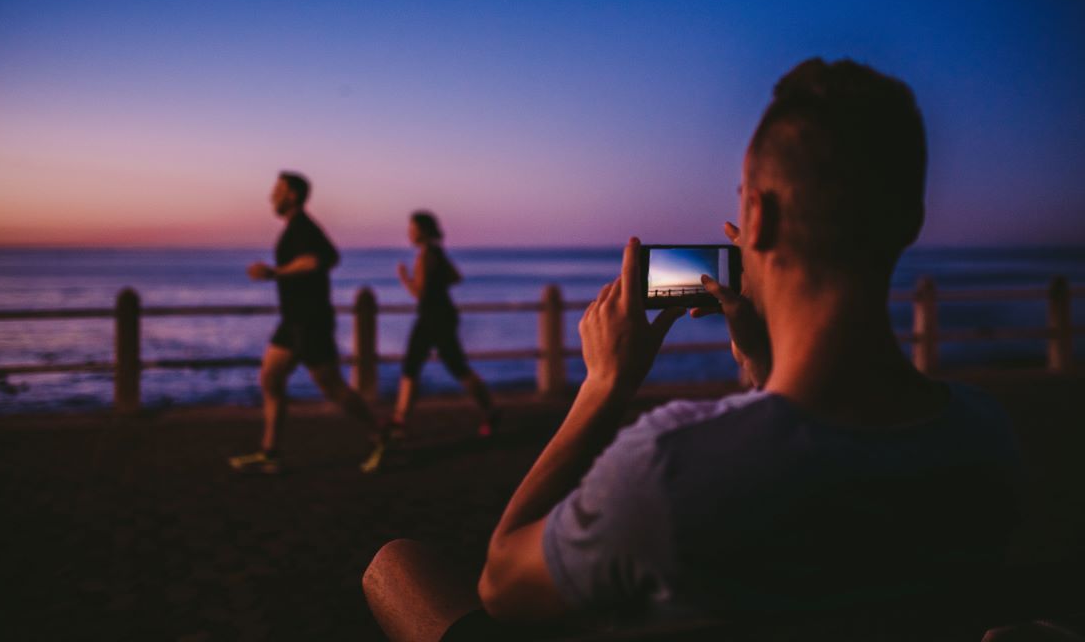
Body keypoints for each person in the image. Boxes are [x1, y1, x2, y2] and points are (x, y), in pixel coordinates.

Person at [363, 59, 1021, 638]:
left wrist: (603, 389)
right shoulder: (986, 434)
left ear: (755, 219)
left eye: (743, 205)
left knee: (397, 566)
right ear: (911, 221)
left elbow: (501, 586)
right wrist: (764, 372)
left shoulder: (668, 464)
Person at [229, 171, 386, 475]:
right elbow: (331, 257)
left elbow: (315, 261)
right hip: (292, 321)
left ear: (292, 195)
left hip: (310, 321)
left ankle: (380, 435)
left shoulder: (302, 226)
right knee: (270, 378)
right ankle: (270, 451)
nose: (271, 195)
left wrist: (275, 273)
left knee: (333, 388)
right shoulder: (300, 227)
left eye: (277, 189)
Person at [388, 211, 499, 440]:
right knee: (449, 366)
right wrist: (437, 284)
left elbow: (419, 293)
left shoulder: (424, 256)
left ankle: (400, 419)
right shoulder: (437, 252)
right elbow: (455, 277)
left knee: (418, 366)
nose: (409, 233)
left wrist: (404, 277)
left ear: (423, 230)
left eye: (413, 228)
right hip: (443, 315)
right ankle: (489, 410)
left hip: (431, 317)